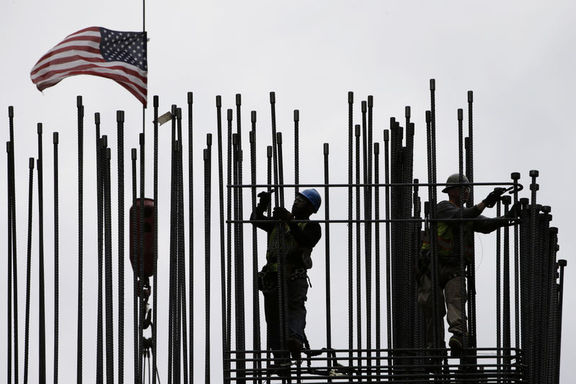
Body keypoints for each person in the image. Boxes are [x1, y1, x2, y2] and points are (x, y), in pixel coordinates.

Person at [417, 174, 517, 358]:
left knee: (456, 301)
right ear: (452, 191)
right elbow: (460, 215)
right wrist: (485, 202)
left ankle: (458, 337)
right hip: (432, 268)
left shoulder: (468, 214)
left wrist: (507, 217)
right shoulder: (443, 208)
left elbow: (486, 224)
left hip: (454, 269)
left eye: (468, 190)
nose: (467, 193)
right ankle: (435, 349)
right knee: (433, 310)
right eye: (464, 189)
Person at [251, 188, 322, 372]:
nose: (297, 201)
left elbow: (306, 240)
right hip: (273, 278)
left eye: (303, 200)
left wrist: (289, 220)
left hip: (293, 277)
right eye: (297, 198)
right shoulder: (278, 224)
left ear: (311, 208)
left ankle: (295, 340)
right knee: (273, 321)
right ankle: (281, 360)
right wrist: (263, 204)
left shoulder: (312, 226)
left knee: (294, 309)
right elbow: (255, 219)